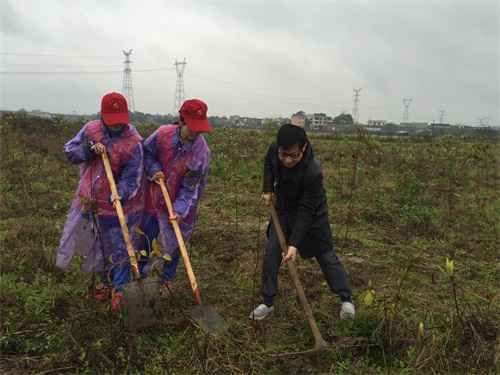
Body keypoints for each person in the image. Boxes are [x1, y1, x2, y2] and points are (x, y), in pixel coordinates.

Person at [250, 124, 355, 320]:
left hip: (312, 214)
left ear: (303, 148)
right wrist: (267, 189)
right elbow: (269, 164)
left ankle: (346, 299)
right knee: (272, 252)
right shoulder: (275, 149)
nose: (287, 160)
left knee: (325, 255)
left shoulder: (313, 171)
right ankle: (268, 301)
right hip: (283, 209)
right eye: (284, 155)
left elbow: (306, 212)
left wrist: (294, 244)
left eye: (293, 155)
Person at [56, 92, 144, 311]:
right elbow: (70, 152)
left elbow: (133, 175)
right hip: (89, 200)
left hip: (118, 204)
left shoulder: (133, 142)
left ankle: (120, 290)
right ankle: (104, 284)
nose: (116, 126)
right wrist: (88, 149)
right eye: (111, 122)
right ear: (102, 116)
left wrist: (119, 193)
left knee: (120, 247)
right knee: (96, 246)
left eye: (120, 122)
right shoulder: (91, 130)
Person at [139, 98, 212, 291]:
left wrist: (179, 210)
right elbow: (146, 153)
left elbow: (190, 187)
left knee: (175, 240)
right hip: (153, 198)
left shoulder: (201, 152)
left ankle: (166, 280)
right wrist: (154, 169)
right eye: (192, 127)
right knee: (146, 236)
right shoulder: (162, 134)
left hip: (182, 201)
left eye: (200, 129)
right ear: (181, 121)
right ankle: (138, 276)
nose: (196, 133)